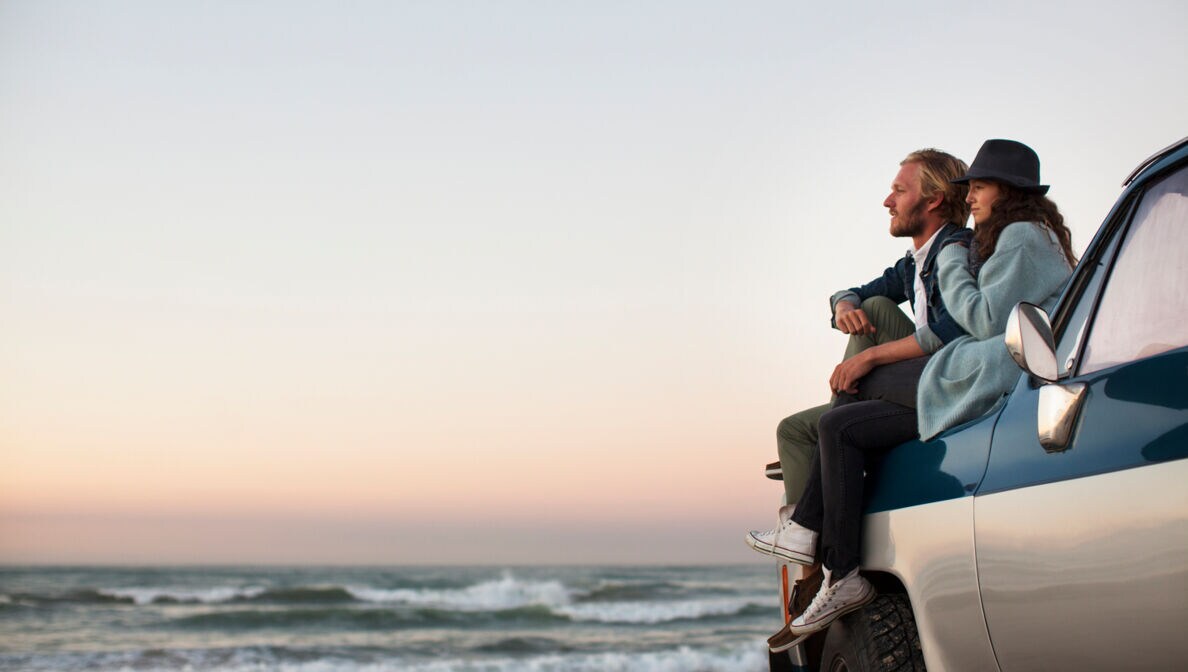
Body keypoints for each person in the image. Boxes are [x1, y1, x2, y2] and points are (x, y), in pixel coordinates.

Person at [767, 139, 1077, 651]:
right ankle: (816, 549)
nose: (972, 196)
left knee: (841, 411)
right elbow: (867, 292)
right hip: (978, 364)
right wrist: (845, 303)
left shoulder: (984, 243)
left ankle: (815, 544)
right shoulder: (975, 245)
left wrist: (868, 356)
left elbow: (970, 324)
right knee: (835, 404)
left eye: (979, 186)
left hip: (986, 371)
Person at [748, 149, 972, 560]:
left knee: (878, 311)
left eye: (899, 191)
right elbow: (848, 292)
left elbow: (959, 330)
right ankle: (804, 545)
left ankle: (810, 529)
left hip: (946, 381)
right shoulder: (912, 266)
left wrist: (868, 358)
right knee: (793, 430)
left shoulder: (958, 250)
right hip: (911, 380)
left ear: (934, 199)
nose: (888, 202)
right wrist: (842, 307)